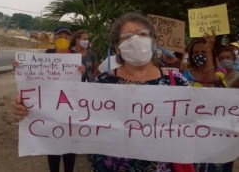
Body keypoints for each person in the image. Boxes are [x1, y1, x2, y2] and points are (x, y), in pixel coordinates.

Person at [91, 13, 190, 172]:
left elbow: (195, 121)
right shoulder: (103, 81)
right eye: (127, 36)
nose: (136, 40)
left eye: (143, 34)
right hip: (111, 166)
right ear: (117, 47)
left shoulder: (177, 82)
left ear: (154, 43)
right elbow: (81, 118)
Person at [13, 26, 85, 172]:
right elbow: (36, 77)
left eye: (66, 37)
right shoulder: (48, 54)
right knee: (52, 144)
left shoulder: (76, 58)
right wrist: (21, 68)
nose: (63, 39)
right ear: (54, 39)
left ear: (70, 40)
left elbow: (81, 85)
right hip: (49, 109)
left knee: (69, 146)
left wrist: (82, 73)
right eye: (60, 36)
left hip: (69, 109)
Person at [183, 34, 232, 172]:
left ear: (211, 53)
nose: (199, 55)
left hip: (215, 129)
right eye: (196, 52)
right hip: (192, 130)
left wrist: (209, 49)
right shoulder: (185, 74)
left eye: (203, 52)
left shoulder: (221, 72)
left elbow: (210, 79)